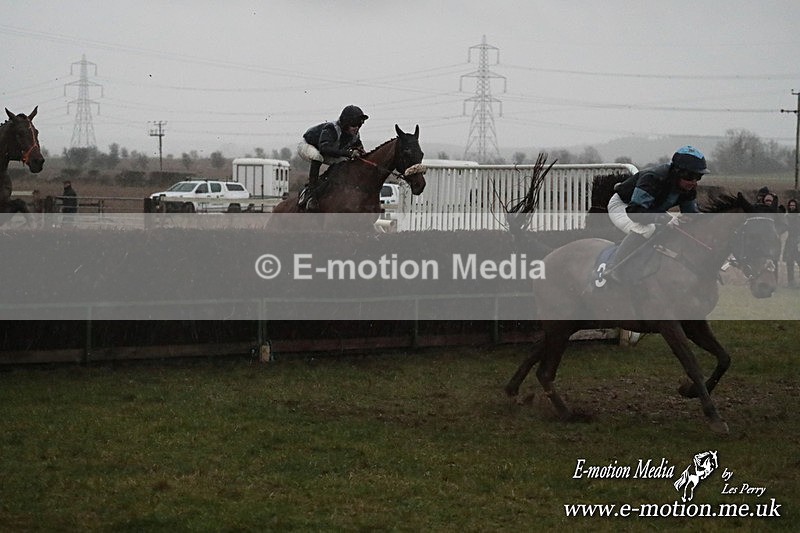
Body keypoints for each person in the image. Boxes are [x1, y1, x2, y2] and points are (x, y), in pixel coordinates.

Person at [606, 145, 709, 281]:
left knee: (676, 229)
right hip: (624, 206)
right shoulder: (653, 178)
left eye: (698, 177)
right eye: (690, 176)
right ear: (677, 172)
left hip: (647, 209)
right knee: (646, 229)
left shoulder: (688, 188)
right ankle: (613, 269)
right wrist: (664, 218)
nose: (694, 182)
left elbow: (692, 215)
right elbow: (635, 212)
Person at [297, 105, 369, 210]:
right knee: (317, 157)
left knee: (344, 162)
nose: (357, 127)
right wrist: (349, 153)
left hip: (325, 151)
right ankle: (311, 193)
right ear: (346, 123)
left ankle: (328, 184)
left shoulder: (355, 135)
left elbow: (360, 149)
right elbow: (324, 148)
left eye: (359, 124)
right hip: (308, 146)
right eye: (354, 124)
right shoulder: (331, 128)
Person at [783, 198, 799, 288]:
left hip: (797, 241)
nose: (792, 207)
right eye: (791, 205)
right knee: (789, 263)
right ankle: (791, 282)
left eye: (793, 205)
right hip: (789, 242)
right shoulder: (786, 217)